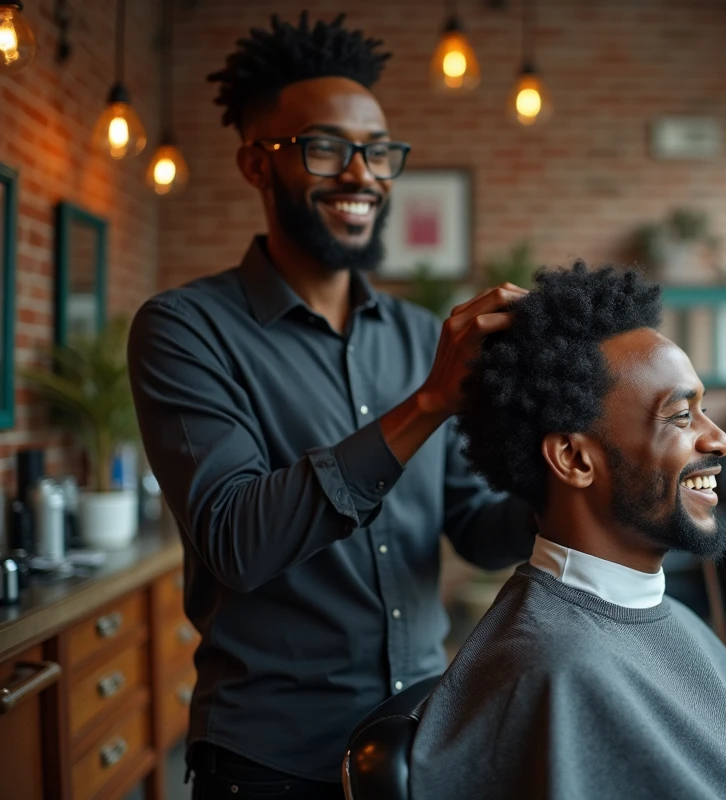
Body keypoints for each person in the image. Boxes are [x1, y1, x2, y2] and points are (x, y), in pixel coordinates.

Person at [127, 12, 535, 799]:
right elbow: (236, 539)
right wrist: (427, 404)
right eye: (326, 148)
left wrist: (584, 484)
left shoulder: (420, 336)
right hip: (268, 763)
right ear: (256, 163)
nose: (362, 175)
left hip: (420, 740)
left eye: (378, 152)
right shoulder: (184, 330)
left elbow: (478, 529)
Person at [409, 263, 726, 800]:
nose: (719, 439)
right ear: (575, 458)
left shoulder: (657, 615)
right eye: (679, 417)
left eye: (704, 409)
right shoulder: (559, 670)